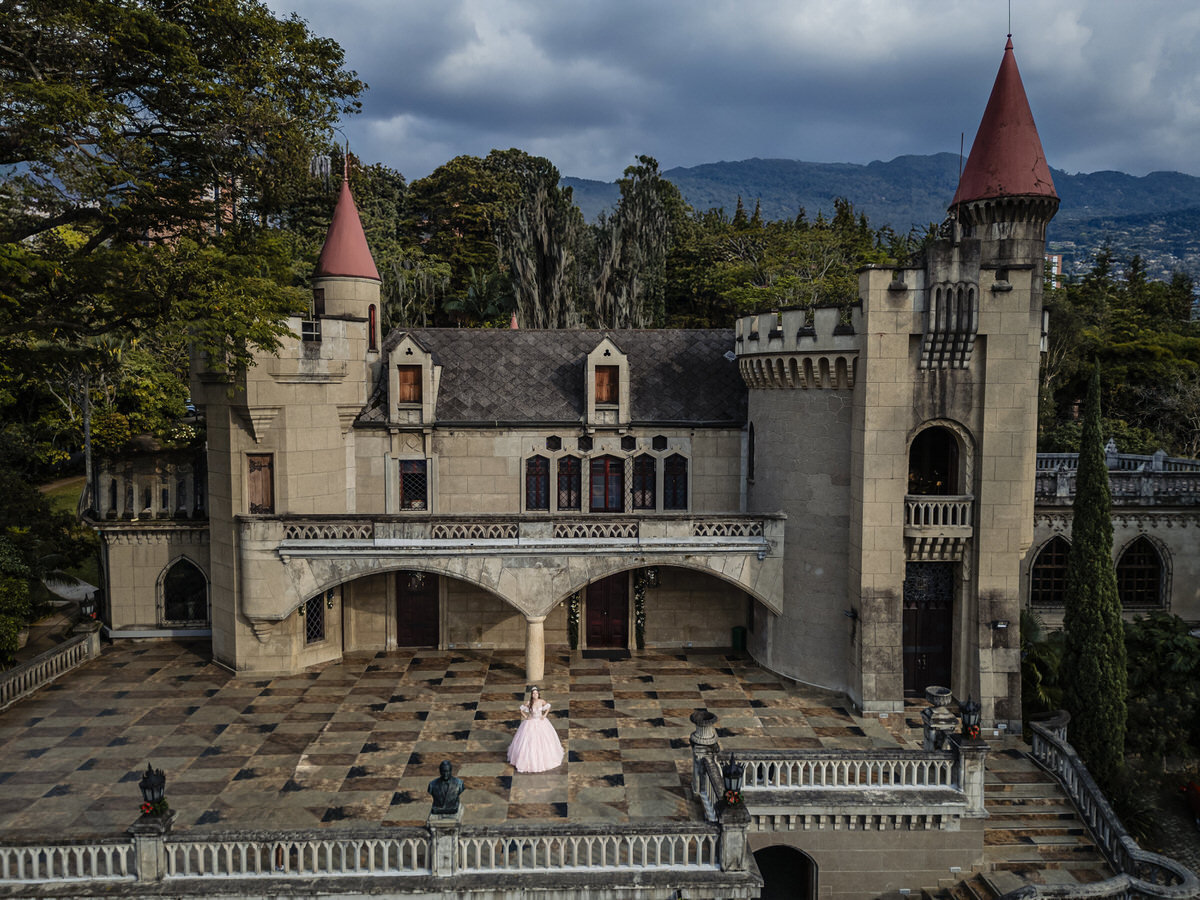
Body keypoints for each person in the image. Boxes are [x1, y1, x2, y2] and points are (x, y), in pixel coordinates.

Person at [506, 686, 564, 773]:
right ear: (532, 695)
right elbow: (521, 709)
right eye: (533, 693)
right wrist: (526, 717)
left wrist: (544, 715)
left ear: (538, 694)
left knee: (544, 741)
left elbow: (548, 706)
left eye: (536, 693)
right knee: (528, 742)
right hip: (531, 722)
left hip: (541, 722)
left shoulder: (542, 701)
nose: (535, 694)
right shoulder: (529, 702)